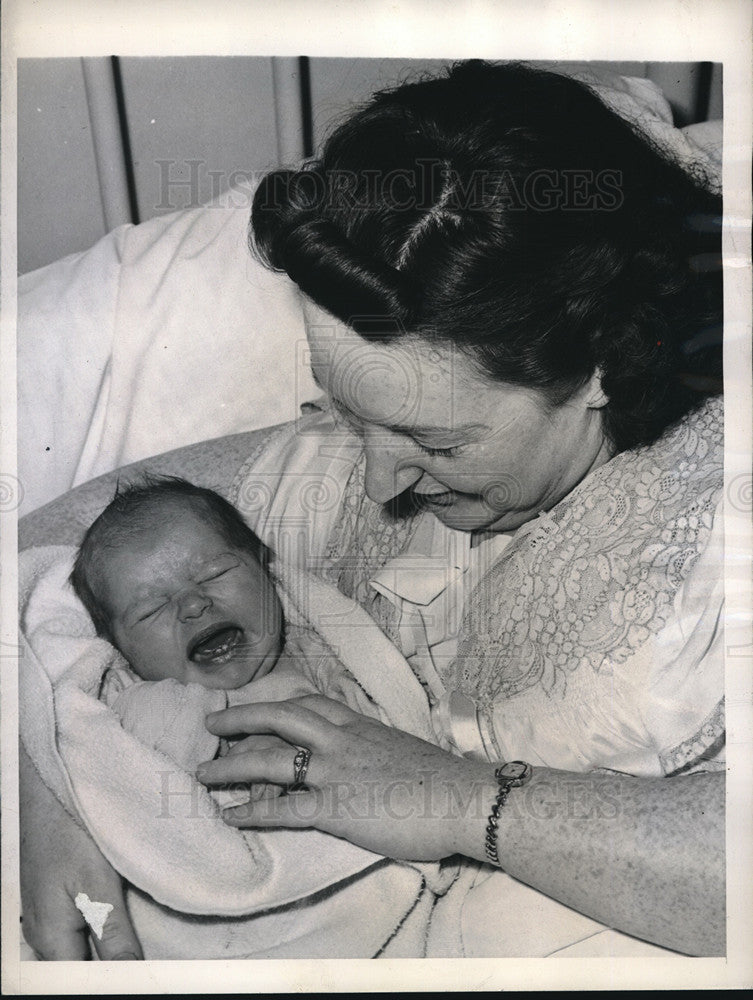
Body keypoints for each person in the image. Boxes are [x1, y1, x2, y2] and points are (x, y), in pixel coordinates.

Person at [20, 60, 725, 959]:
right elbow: (65, 533)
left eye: (435, 444)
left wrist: (455, 797)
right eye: (352, 414)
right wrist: (56, 777)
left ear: (599, 371)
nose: (382, 482)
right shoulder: (360, 444)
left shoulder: (709, 520)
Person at [69, 475, 372, 783]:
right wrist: (230, 749)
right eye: (151, 610)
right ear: (118, 650)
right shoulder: (138, 704)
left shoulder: (327, 657)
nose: (192, 605)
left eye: (214, 574)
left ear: (264, 565)